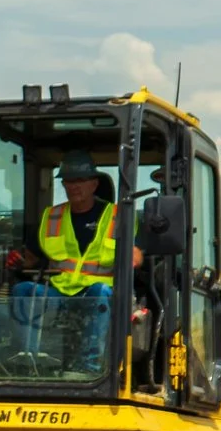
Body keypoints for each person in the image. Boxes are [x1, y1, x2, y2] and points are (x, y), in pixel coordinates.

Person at [10, 153, 141, 374]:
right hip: (59, 293)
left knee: (100, 292)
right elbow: (31, 258)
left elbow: (136, 254)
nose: (74, 186)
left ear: (94, 184)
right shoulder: (52, 216)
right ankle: (28, 359)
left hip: (99, 295)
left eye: (80, 180)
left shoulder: (118, 217)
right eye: (69, 181)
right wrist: (18, 261)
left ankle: (87, 367)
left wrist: (133, 258)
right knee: (23, 290)